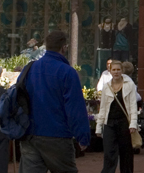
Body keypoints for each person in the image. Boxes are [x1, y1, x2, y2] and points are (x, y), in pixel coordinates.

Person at [22, 31, 92, 173]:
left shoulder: (29, 69)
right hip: (57, 135)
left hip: (30, 133)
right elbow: (75, 108)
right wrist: (82, 136)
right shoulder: (67, 72)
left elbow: (20, 97)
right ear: (64, 47)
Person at [97, 60, 139, 173]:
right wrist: (98, 126)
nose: (116, 72)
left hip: (124, 123)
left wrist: (133, 123)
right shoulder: (106, 87)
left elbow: (132, 106)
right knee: (109, 153)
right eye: (114, 70)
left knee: (126, 153)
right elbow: (103, 108)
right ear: (110, 71)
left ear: (122, 71)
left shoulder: (129, 85)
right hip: (109, 123)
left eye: (118, 70)